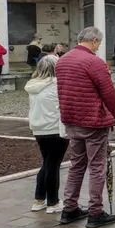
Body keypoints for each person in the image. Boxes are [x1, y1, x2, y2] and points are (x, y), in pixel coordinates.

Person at [56, 26, 115, 228]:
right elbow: (108, 93)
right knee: (97, 166)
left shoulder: (63, 60)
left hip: (71, 119)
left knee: (77, 164)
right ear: (93, 41)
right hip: (93, 120)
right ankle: (95, 212)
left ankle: (69, 208)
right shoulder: (94, 61)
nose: (98, 47)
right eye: (98, 43)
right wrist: (112, 116)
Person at [27, 55, 69, 214]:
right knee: (53, 165)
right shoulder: (57, 85)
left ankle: (39, 199)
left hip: (38, 128)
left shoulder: (33, 85)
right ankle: (53, 202)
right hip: (55, 129)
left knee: (46, 162)